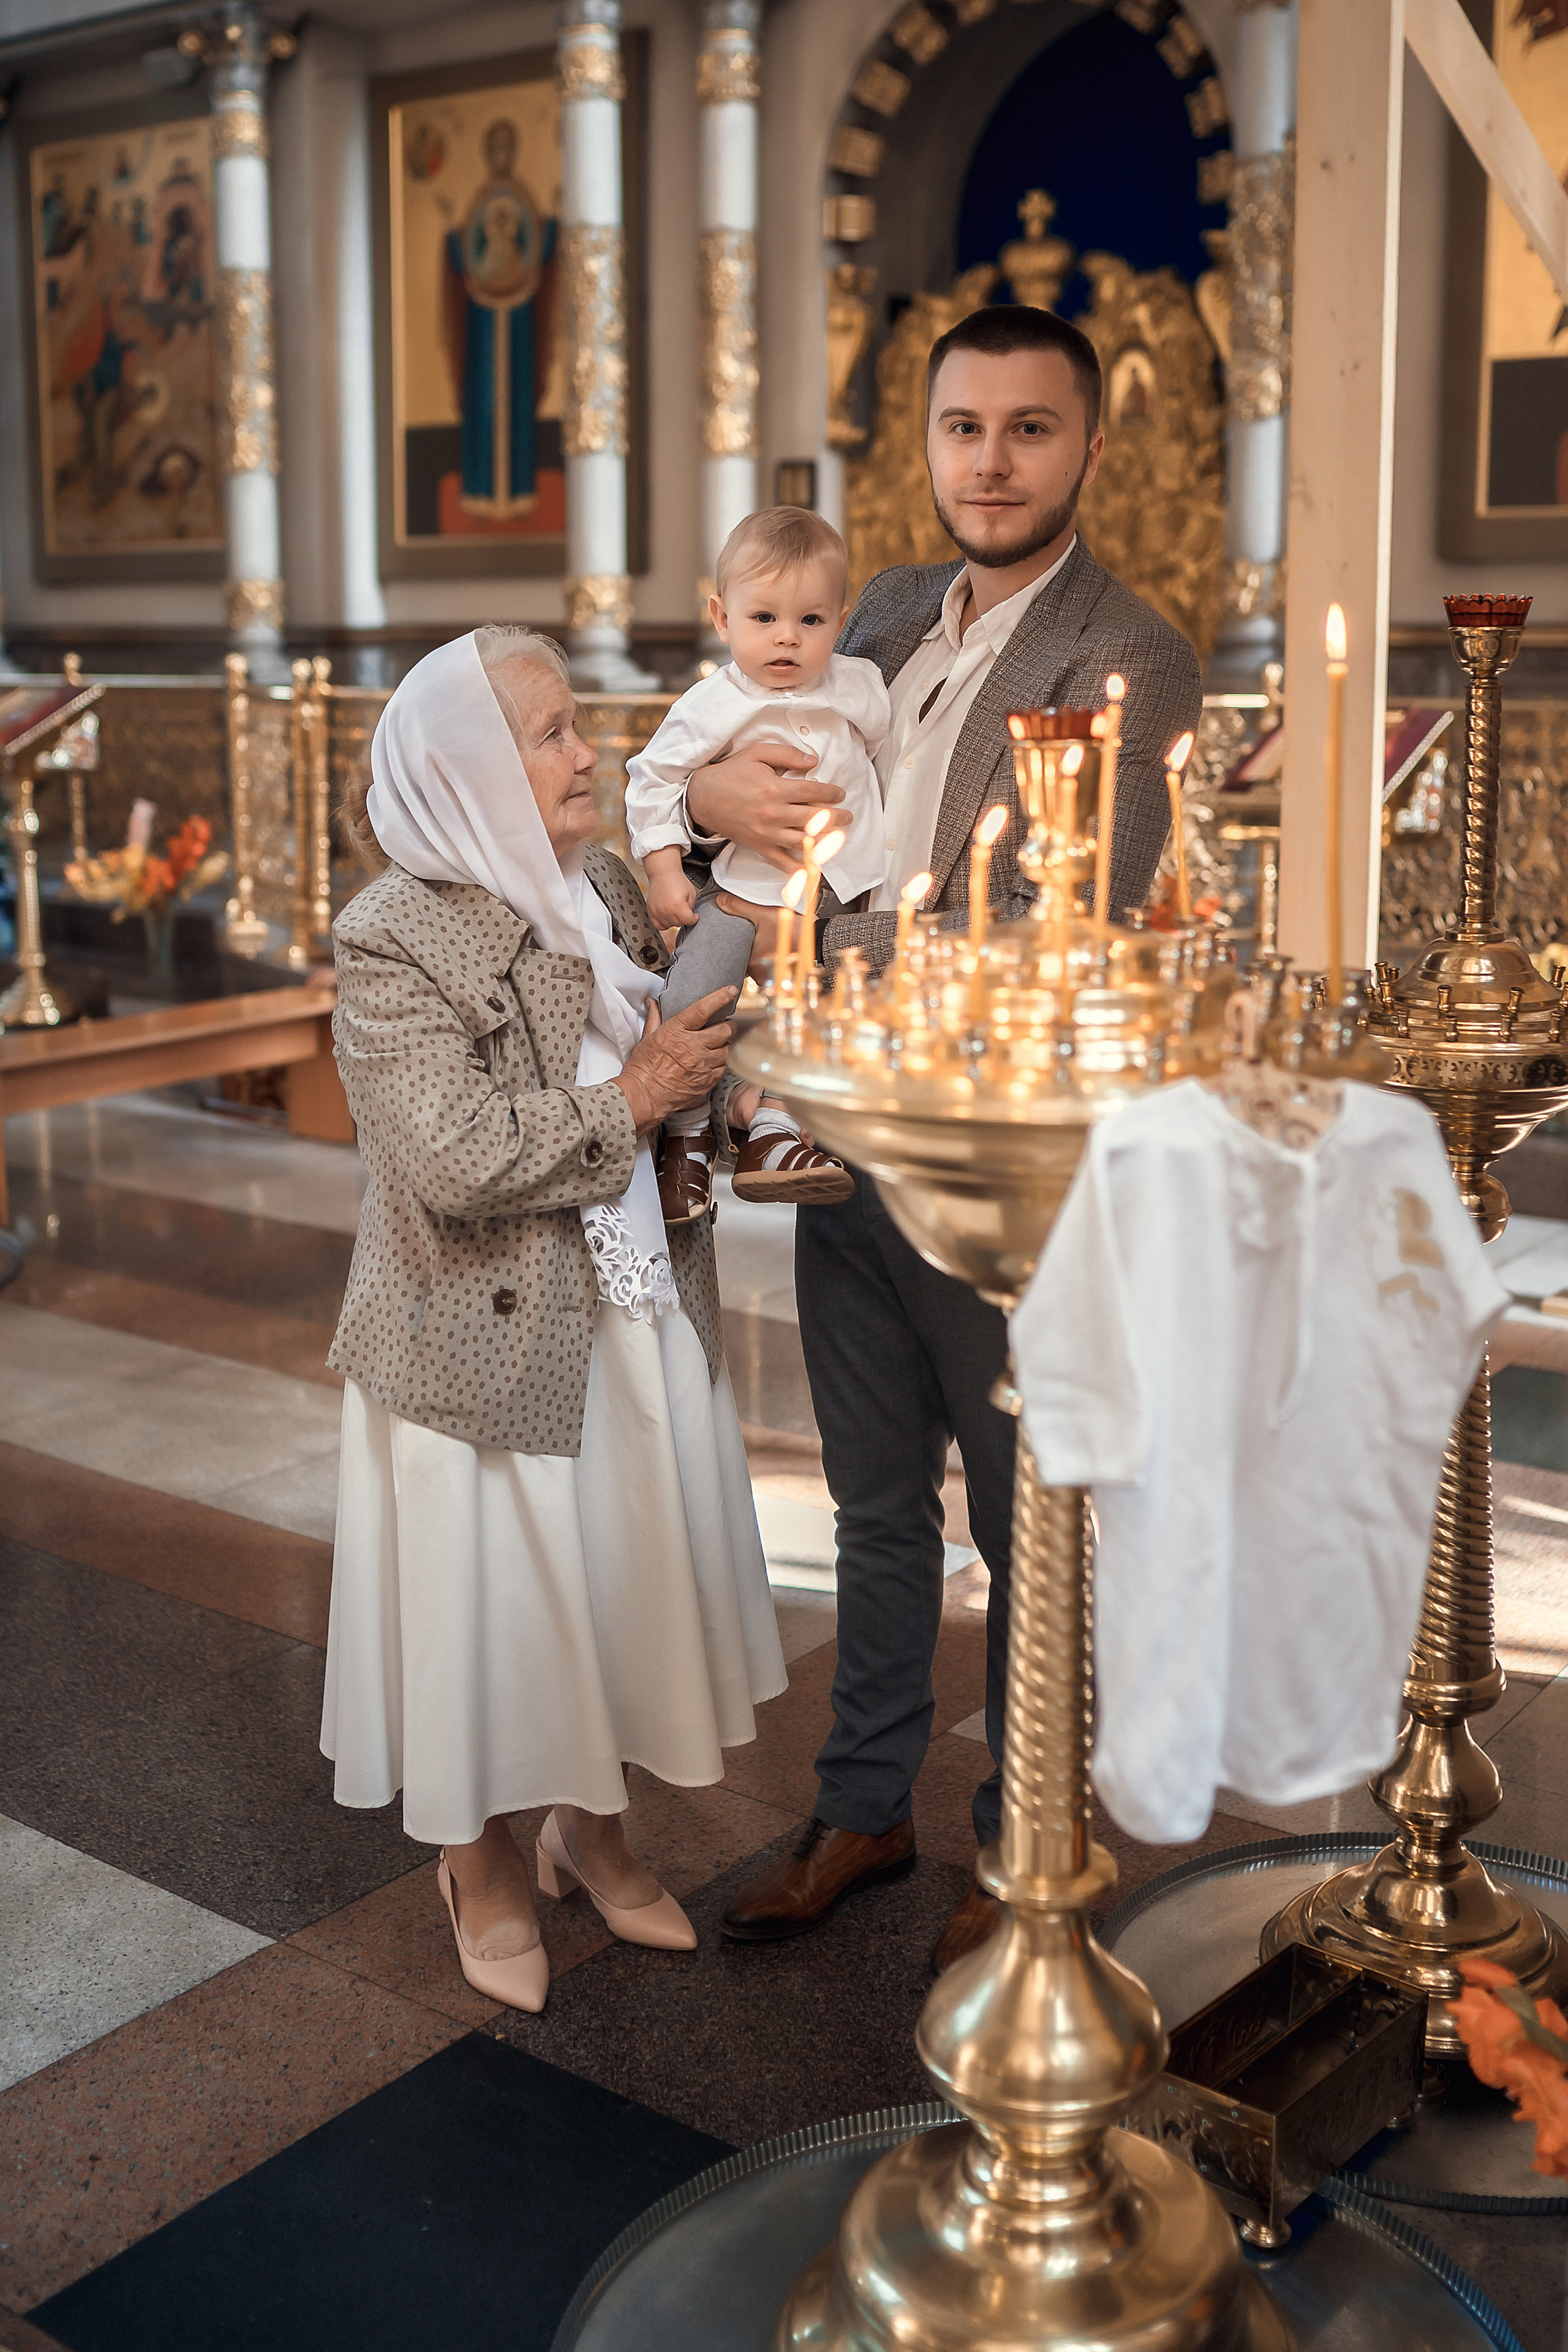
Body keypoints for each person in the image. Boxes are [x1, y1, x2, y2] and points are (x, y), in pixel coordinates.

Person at [695, 305, 1203, 1972]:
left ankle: (1030, 1838)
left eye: (1029, 429)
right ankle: (862, 1805)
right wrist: (708, 811)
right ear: (925, 447)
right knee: (868, 1502)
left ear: (1090, 449)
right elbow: (747, 760)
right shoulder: (885, 610)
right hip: (840, 1140)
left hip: (996, 1166)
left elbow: (1075, 928)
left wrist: (837, 998)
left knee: (1022, 1510)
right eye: (963, 428)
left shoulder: (1126, 652)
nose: (991, 461)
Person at [320, 624, 786, 2013]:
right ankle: (478, 1859)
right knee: (496, 1603)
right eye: (551, 733)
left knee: (625, 1576)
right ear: (468, 767)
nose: (589, 751)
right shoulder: (390, 932)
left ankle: (591, 1825)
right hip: (478, 1338)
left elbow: (665, 1022)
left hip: (634, 1296)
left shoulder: (591, 876)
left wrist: (727, 1085)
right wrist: (637, 1098)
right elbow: (449, 1152)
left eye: (577, 724)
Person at [625, 507, 888, 1222]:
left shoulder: (861, 686)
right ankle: (684, 1140)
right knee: (698, 997)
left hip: (843, 891)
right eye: (764, 617)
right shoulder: (714, 704)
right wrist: (665, 870)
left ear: (841, 618)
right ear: (722, 616)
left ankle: (775, 1131)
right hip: (743, 887)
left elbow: (890, 760)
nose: (785, 638)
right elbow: (650, 782)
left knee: (818, 1015)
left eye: (810, 621)